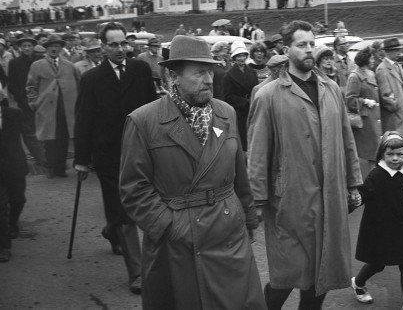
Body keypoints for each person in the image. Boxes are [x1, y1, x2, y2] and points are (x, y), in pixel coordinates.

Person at [119, 35, 265, 309]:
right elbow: (133, 189)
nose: (209, 79)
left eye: (210, 70)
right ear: (173, 76)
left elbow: (239, 175)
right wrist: (170, 226)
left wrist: (247, 219)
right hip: (178, 244)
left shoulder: (226, 113)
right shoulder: (143, 121)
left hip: (228, 233)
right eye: (199, 72)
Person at [247, 20, 363, 310]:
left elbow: (347, 139)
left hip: (330, 197)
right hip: (292, 200)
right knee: (287, 275)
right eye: (302, 44)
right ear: (287, 50)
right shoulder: (268, 96)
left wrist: (353, 183)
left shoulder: (331, 89)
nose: (309, 49)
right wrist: (258, 201)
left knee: (323, 272)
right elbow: (258, 153)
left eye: (312, 43)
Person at [74, 22, 156, 294]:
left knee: (138, 206)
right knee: (123, 211)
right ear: (103, 47)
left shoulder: (141, 70)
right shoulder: (92, 79)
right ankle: (137, 273)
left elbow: (153, 109)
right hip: (109, 155)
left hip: (141, 150)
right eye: (113, 45)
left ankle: (112, 230)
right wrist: (81, 159)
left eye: (123, 44)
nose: (120, 49)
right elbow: (84, 120)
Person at [352, 131, 403, 304]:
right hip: (381, 229)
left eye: (399, 154)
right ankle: (358, 283)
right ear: (382, 154)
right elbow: (364, 192)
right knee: (377, 263)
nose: (395, 158)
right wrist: (357, 198)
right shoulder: (377, 175)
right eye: (390, 154)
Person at [26, 34, 80, 178]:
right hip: (47, 109)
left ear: (61, 48)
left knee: (63, 138)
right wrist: (33, 103)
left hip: (66, 109)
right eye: (51, 46)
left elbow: (78, 85)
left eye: (56, 46)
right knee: (49, 140)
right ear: (46, 49)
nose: (54, 49)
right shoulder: (37, 65)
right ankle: (51, 168)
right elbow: (31, 86)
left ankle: (61, 168)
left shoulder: (70, 66)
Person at [0, 79, 29, 262]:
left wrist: (41, 158)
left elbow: (28, 135)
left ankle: (12, 223)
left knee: (18, 200)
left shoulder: (14, 114)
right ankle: (4, 246)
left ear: (1, 98)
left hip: (15, 167)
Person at [7, 36, 46, 171]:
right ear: (20, 48)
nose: (27, 48)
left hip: (42, 101)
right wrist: (22, 99)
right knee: (29, 131)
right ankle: (41, 158)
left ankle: (48, 157)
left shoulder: (40, 60)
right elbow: (12, 85)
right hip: (25, 103)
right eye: (24, 46)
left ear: (33, 47)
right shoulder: (14, 63)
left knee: (44, 129)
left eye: (29, 46)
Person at [345, 47, 382, 176]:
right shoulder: (354, 76)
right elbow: (349, 100)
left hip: (375, 120)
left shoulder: (370, 73)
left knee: (376, 154)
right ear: (365, 59)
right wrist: (364, 101)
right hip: (365, 123)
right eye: (371, 58)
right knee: (370, 155)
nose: (373, 60)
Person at [376, 38, 403, 144]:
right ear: (387, 52)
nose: (399, 53)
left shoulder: (398, 66)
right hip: (394, 120)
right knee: (395, 147)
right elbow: (385, 96)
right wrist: (396, 105)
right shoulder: (382, 69)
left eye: (398, 50)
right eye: (396, 50)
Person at [223, 40, 258, 151]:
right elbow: (226, 97)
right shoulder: (228, 75)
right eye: (238, 56)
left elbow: (256, 89)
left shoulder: (252, 72)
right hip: (239, 113)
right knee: (242, 142)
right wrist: (244, 101)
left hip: (253, 109)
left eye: (243, 55)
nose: (241, 58)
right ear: (234, 58)